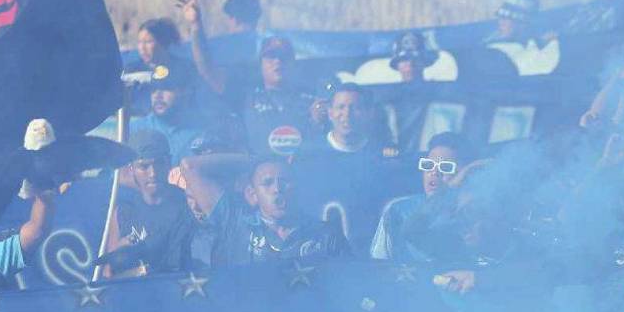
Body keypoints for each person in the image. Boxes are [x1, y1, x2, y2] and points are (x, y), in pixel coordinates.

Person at [177, 0, 315, 158]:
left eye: (284, 57)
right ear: (261, 64)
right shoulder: (246, 95)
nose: (277, 62)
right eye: (271, 57)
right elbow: (207, 69)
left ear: (294, 64)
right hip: (256, 175)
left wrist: (320, 118)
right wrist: (196, 27)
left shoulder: (309, 99)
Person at [179, 153, 349, 267]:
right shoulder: (234, 222)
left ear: (297, 189)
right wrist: (253, 159)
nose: (277, 189)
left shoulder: (325, 234)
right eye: (267, 183)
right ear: (252, 194)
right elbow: (190, 166)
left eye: (285, 181)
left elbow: (351, 284)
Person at [294, 83, 405, 251]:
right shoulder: (308, 155)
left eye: (355, 108)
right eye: (340, 107)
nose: (347, 114)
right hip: (320, 257)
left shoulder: (384, 157)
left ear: (370, 113)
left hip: (370, 258)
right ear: (330, 112)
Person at [103, 130, 195, 277]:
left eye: (159, 163)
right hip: (134, 293)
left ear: (169, 163)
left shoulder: (188, 204)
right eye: (144, 166)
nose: (153, 173)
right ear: (131, 168)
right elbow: (107, 273)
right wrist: (121, 249)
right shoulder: (123, 212)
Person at [369, 132, 469, 263]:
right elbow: (379, 263)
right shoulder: (397, 210)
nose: (434, 173)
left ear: (464, 173)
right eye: (428, 165)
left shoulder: (472, 214)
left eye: (446, 167)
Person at [130, 63, 206, 163]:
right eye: (153, 89)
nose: (157, 96)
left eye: (166, 88)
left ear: (186, 91)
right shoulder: (134, 130)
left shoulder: (203, 132)